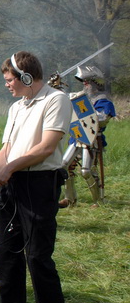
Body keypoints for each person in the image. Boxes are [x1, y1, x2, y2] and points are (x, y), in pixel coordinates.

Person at [0, 51, 73, 303]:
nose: (7, 84)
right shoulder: (16, 107)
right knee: (5, 252)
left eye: (10, 80)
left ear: (27, 77)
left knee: (37, 256)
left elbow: (46, 147)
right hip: (11, 185)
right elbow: (6, 150)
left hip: (39, 185)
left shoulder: (56, 100)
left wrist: (10, 168)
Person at [58, 65, 115, 208]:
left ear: (95, 83)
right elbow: (63, 98)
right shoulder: (80, 97)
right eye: (84, 82)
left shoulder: (103, 101)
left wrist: (89, 114)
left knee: (86, 171)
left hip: (92, 140)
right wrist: (57, 86)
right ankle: (70, 199)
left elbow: (102, 119)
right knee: (64, 166)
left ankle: (98, 201)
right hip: (77, 136)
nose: (84, 84)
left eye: (87, 82)